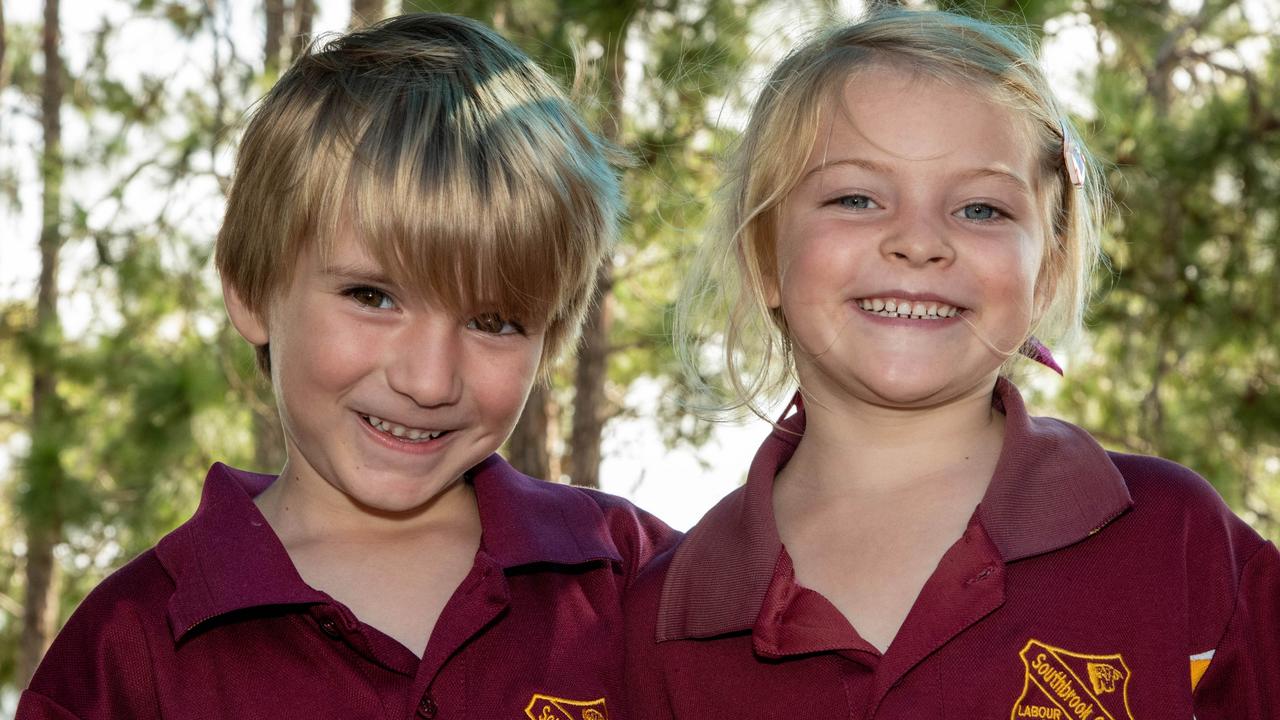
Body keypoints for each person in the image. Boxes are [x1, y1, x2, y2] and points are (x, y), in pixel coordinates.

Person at [623, 7, 1278, 719]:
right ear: (765, 257)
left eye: (981, 210)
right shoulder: (660, 624)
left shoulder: (1176, 541)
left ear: (1048, 270)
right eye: (855, 197)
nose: (918, 240)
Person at [19, 13, 675, 719]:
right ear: (249, 288)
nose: (427, 381)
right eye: (373, 296)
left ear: (548, 342)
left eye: (493, 322)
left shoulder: (628, 575)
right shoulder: (129, 650)